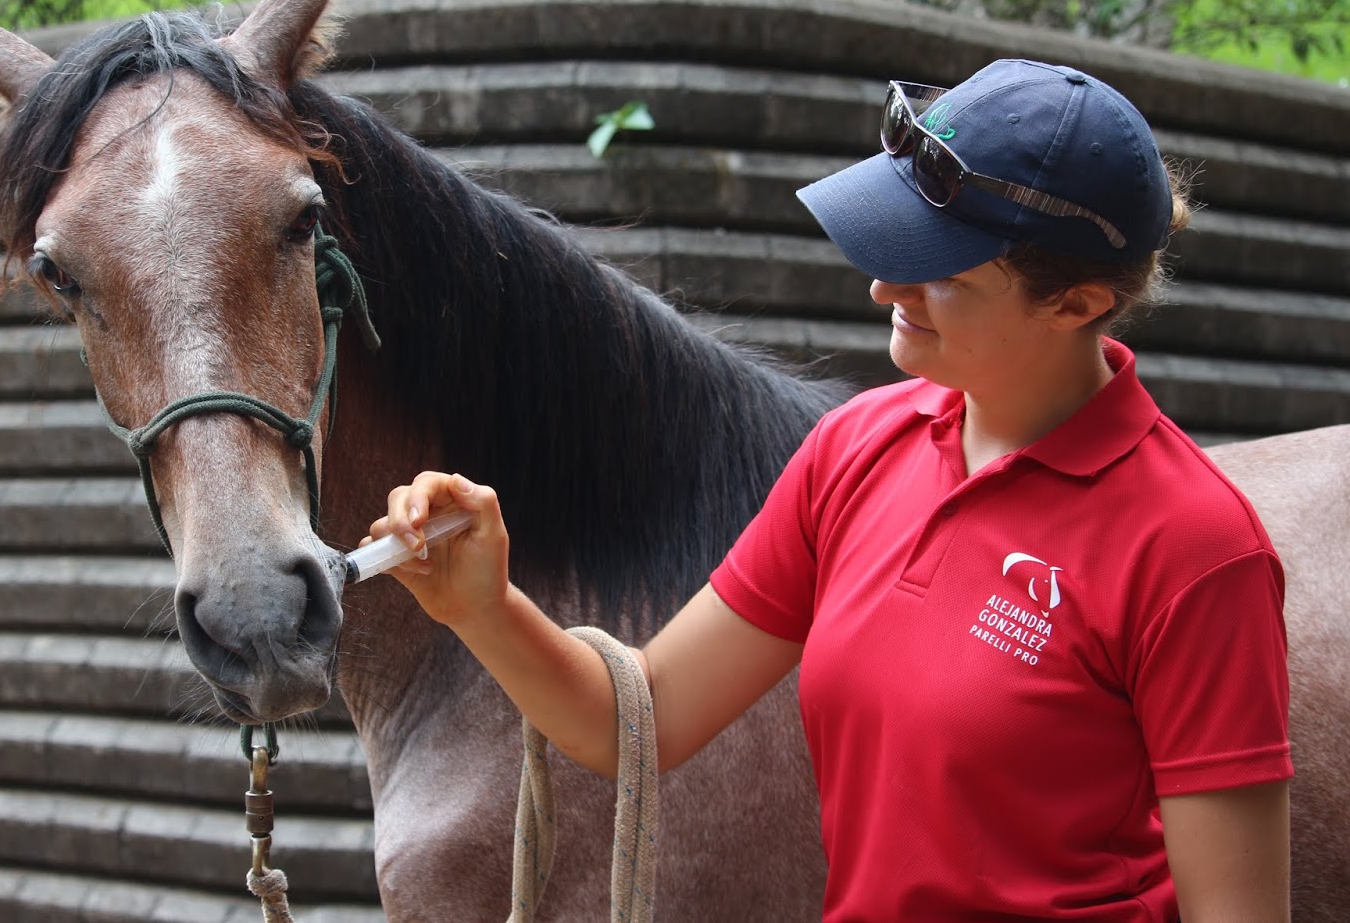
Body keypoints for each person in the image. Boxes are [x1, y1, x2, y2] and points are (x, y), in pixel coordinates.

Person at [361, 59, 1292, 921]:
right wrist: (484, 608)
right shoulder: (857, 450)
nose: (887, 284)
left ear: (1078, 303)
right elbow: (635, 720)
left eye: (941, 272)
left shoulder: (1193, 547)